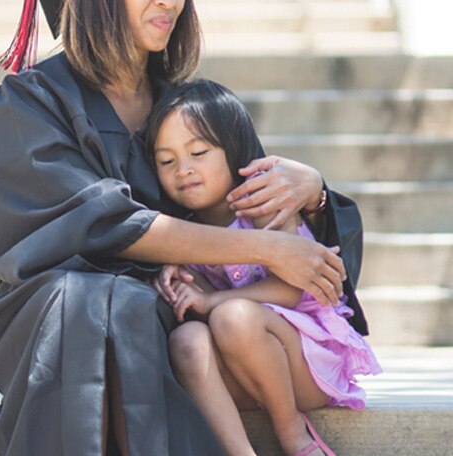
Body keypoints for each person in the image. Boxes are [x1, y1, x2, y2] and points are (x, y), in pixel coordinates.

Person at [0, 0, 365, 454]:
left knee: (135, 307)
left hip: (179, 315)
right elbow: (102, 223)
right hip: (56, 320)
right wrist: (260, 246)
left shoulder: (185, 109)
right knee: (100, 301)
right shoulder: (31, 102)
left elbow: (267, 225)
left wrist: (309, 189)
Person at [145, 80, 381, 456]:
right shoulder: (180, 231)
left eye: (198, 152)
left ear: (232, 148)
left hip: (306, 363)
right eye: (167, 161)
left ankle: (292, 433)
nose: (183, 170)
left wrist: (214, 300)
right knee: (185, 341)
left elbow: (290, 289)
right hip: (243, 370)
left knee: (232, 315)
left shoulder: (264, 203)